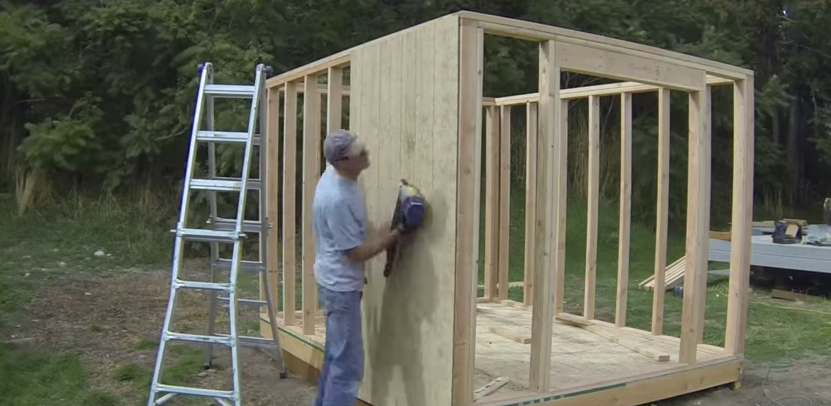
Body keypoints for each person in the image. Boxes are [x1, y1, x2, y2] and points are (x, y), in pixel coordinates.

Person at [311, 129, 402, 406]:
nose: (366, 153)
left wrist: (379, 233)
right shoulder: (336, 198)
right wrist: (390, 238)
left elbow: (356, 233)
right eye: (359, 152)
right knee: (347, 368)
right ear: (343, 162)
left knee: (335, 358)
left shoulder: (338, 175)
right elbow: (354, 253)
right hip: (340, 289)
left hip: (333, 283)